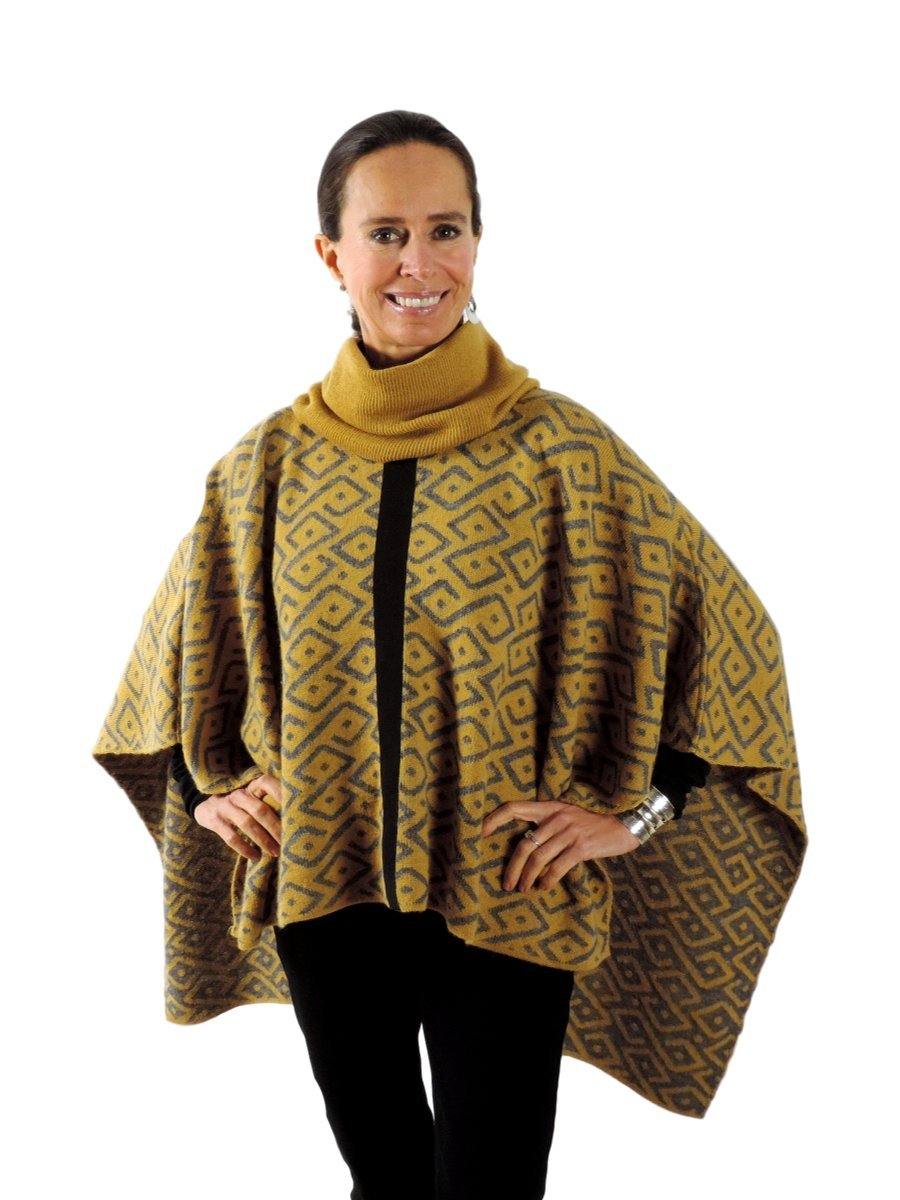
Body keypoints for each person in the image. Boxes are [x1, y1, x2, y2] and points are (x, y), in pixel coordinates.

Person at [93, 110, 806, 1200]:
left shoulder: (567, 454)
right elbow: (173, 662)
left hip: (507, 886)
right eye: (385, 234)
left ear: (478, 241)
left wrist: (639, 815)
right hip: (325, 884)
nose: (419, 265)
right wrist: (207, 793)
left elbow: (729, 635)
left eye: (446, 230)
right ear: (331, 254)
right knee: (384, 1178)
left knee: (490, 1187)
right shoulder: (266, 467)